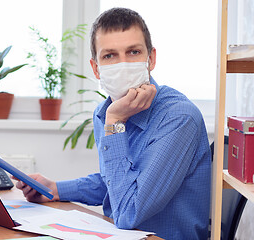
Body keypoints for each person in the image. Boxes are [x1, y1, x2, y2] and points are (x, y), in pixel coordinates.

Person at [16, 7, 211, 240]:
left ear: (151, 58)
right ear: (96, 68)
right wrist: (55, 189)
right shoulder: (106, 112)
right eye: (110, 56)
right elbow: (117, 182)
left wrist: (116, 122)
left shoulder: (179, 118)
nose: (123, 64)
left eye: (133, 52)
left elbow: (129, 211)